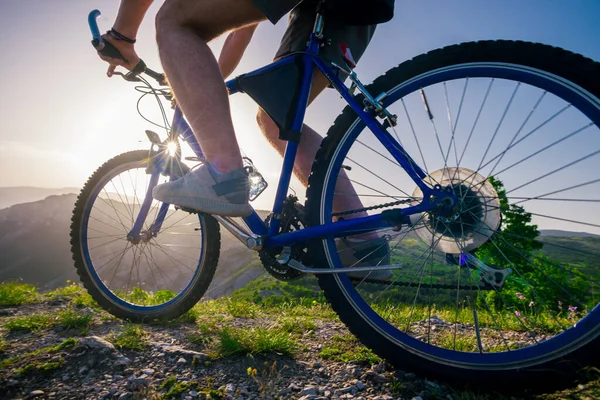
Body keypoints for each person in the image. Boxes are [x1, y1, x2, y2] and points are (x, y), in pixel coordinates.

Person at [98, 0, 392, 279]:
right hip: (351, 15)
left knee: (173, 20)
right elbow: (242, 32)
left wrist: (121, 36)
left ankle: (225, 174)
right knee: (275, 120)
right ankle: (364, 242)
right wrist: (192, 85)